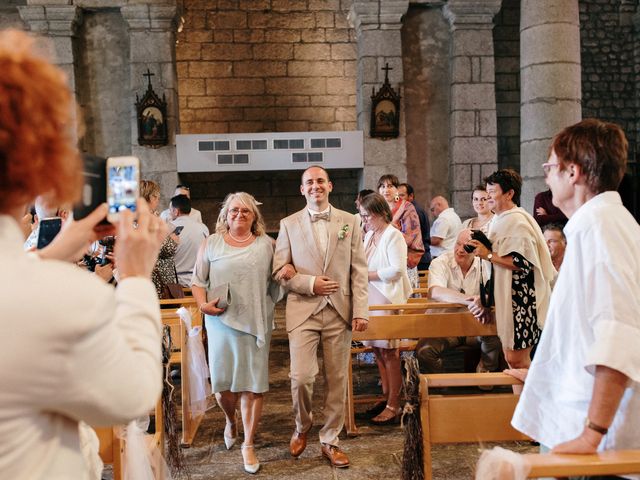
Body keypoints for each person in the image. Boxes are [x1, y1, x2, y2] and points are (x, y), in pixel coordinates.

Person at [0, 30, 167, 479]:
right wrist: (134, 277)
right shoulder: (59, 297)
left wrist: (56, 251)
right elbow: (132, 393)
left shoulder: (30, 279)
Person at [509, 119, 640, 474]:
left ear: (573, 172)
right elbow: (584, 329)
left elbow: (619, 336)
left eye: (550, 167)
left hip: (603, 443)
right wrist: (546, 372)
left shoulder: (602, 229)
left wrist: (592, 434)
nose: (546, 176)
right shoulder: (601, 225)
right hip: (589, 421)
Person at [272, 166, 368, 468]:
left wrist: (361, 311)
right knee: (301, 378)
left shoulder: (350, 221)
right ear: (302, 189)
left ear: (330, 186)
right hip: (303, 310)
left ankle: (330, 440)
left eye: (320, 181)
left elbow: (359, 270)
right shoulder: (288, 224)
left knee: (337, 380)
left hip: (339, 311)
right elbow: (280, 270)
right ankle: (303, 425)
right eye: (309, 182)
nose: (315, 186)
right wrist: (309, 283)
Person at [191, 192, 280, 474]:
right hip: (220, 323)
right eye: (234, 211)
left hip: (255, 323)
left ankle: (249, 445)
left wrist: (289, 268)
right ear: (225, 215)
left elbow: (280, 276)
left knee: (252, 385)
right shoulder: (211, 243)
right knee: (223, 386)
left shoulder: (267, 245)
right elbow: (197, 281)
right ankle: (231, 420)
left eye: (245, 211)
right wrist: (202, 304)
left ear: (255, 217)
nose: (239, 215)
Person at [467, 169, 555, 373]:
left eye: (492, 192)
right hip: (509, 298)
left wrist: (487, 254)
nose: (488, 197)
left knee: (518, 360)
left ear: (509, 193)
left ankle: (530, 404)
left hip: (521, 301)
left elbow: (522, 262)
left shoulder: (517, 221)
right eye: (486, 192)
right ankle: (520, 405)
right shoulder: (500, 219)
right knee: (511, 359)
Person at [415, 230, 501, 375]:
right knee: (424, 351)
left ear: (477, 250)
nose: (460, 250)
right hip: (443, 327)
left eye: (467, 247)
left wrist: (484, 300)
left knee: (497, 336)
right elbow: (435, 292)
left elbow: (492, 290)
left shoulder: (484, 263)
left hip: (475, 326)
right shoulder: (440, 262)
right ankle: (442, 383)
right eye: (458, 244)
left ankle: (485, 371)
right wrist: (471, 300)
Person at [359, 193, 412, 424]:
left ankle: (394, 404)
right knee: (377, 352)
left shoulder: (394, 235)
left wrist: (365, 275)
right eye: (362, 216)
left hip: (387, 298)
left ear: (381, 213)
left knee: (390, 352)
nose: (365, 221)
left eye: (367, 216)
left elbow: (397, 270)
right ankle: (385, 397)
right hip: (370, 297)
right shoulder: (370, 233)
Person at [377, 174, 425, 288]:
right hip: (382, 264)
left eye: (390, 186)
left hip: (404, 261)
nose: (386, 190)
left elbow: (412, 235)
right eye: (382, 186)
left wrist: (387, 230)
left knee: (405, 302)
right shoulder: (377, 209)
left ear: (396, 189)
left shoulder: (407, 207)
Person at [140, 179, 180, 297]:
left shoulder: (137, 216)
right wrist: (173, 241)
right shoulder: (148, 218)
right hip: (158, 279)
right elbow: (161, 247)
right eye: (157, 197)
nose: (158, 201)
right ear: (151, 197)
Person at [168, 194, 209, 286]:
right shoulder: (203, 228)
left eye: (170, 210)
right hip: (199, 282)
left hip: (175, 284)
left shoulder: (169, 228)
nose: (169, 213)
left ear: (176, 211)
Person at [398, 183, 432, 270]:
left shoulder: (414, 212)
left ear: (411, 196)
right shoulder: (405, 210)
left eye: (402, 195)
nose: (398, 199)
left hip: (419, 259)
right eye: (397, 196)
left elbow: (412, 238)